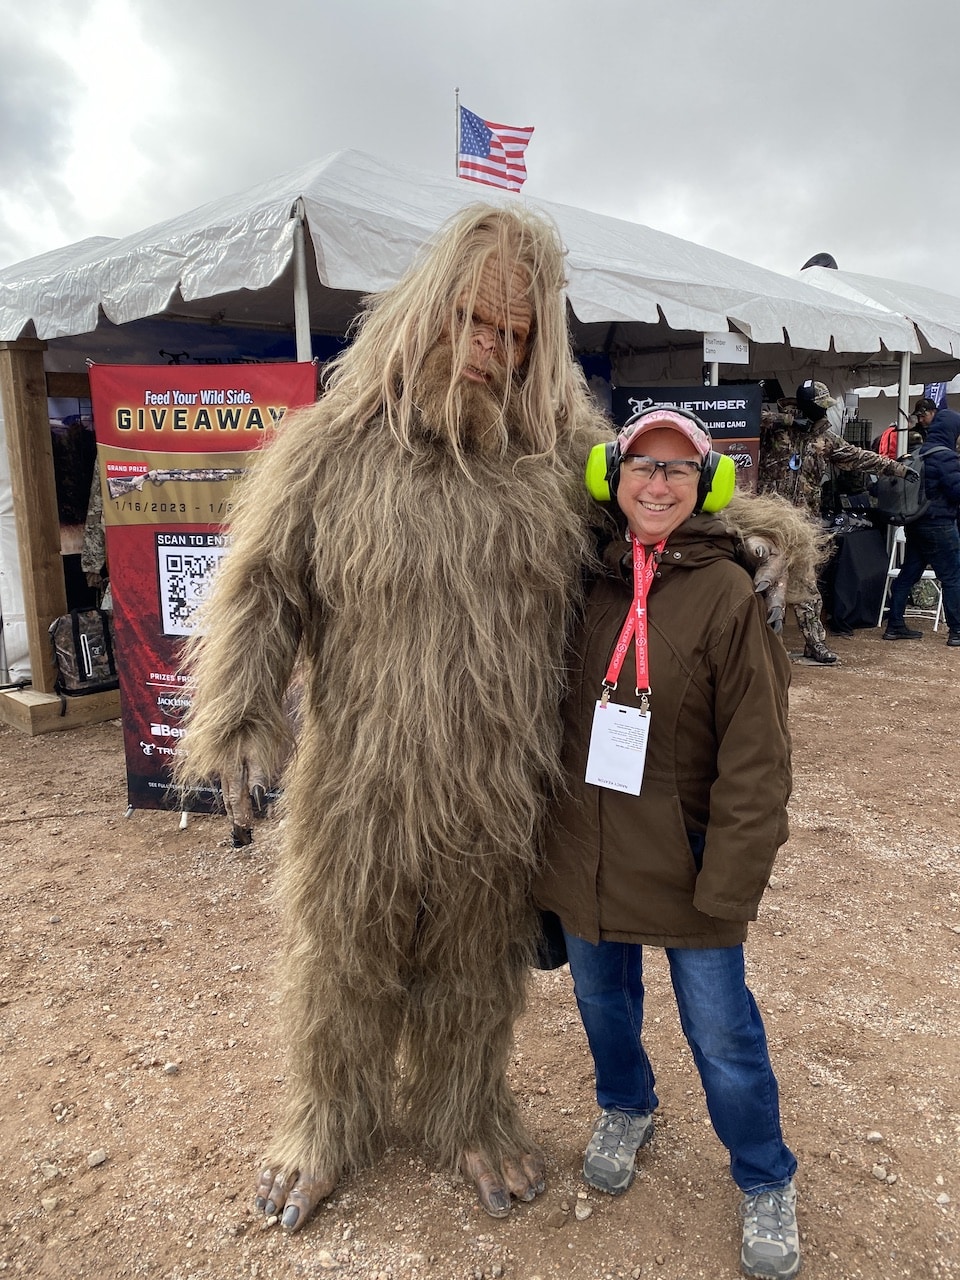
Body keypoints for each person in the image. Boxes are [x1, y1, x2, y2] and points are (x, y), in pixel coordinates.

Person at [176, 203, 613, 1231]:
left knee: (476, 960)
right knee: (341, 953)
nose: (492, 351)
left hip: (499, 785)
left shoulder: (559, 451)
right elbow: (263, 587)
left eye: (519, 335)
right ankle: (326, 1120)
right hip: (358, 780)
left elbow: (662, 502)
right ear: (428, 309)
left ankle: (467, 1109)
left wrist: (760, 536)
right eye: (474, 320)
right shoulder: (333, 446)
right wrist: (239, 710)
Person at [535, 405, 800, 1280]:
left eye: (678, 470)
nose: (657, 484)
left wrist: (729, 883)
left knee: (722, 1033)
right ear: (613, 479)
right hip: (587, 848)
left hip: (688, 859)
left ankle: (764, 1177)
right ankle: (626, 1103)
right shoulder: (580, 578)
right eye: (642, 467)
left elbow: (758, 760)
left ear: (707, 484)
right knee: (602, 1004)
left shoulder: (730, 591)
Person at [758, 378, 907, 664]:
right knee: (766, 585)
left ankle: (814, 644)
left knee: (807, 587)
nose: (824, 413)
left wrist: (898, 468)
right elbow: (746, 419)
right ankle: (766, 648)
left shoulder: (825, 440)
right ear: (805, 406)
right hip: (768, 520)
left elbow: (860, 457)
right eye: (819, 407)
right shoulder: (776, 428)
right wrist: (786, 421)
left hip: (803, 525)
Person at [882, 405, 960, 647]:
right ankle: (957, 631)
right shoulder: (946, 457)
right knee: (952, 576)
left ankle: (894, 625)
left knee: (908, 574)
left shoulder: (918, 453)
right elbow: (956, 492)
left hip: (915, 523)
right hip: (940, 525)